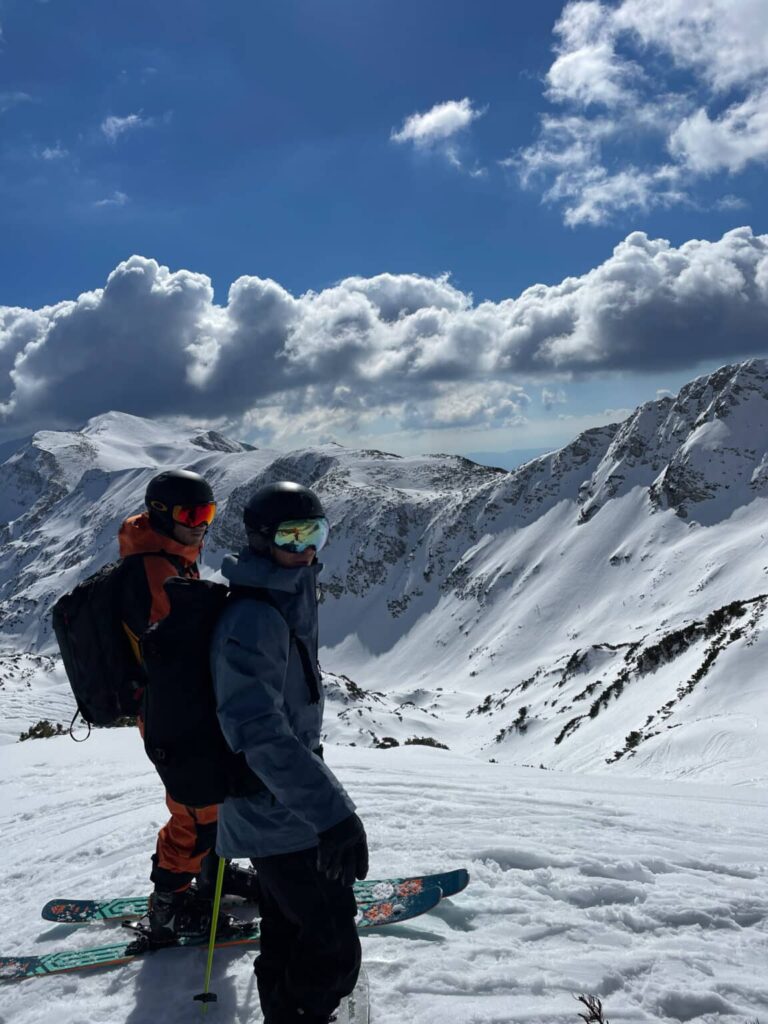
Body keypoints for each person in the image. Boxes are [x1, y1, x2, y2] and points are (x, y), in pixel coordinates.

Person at [211, 481, 368, 1024]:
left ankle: (283, 1008)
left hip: (279, 809)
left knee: (288, 929)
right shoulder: (253, 620)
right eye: (291, 535)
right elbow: (258, 732)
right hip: (277, 813)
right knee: (333, 950)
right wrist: (334, 815)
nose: (306, 548)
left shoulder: (284, 596)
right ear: (260, 540)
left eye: (316, 532)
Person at [118, 468, 259, 942]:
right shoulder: (155, 570)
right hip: (172, 713)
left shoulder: (170, 556)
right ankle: (170, 908)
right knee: (195, 813)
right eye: (192, 514)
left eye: (208, 513)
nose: (202, 524)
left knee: (216, 799)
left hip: (188, 705)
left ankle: (210, 876)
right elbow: (175, 653)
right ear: (161, 515)